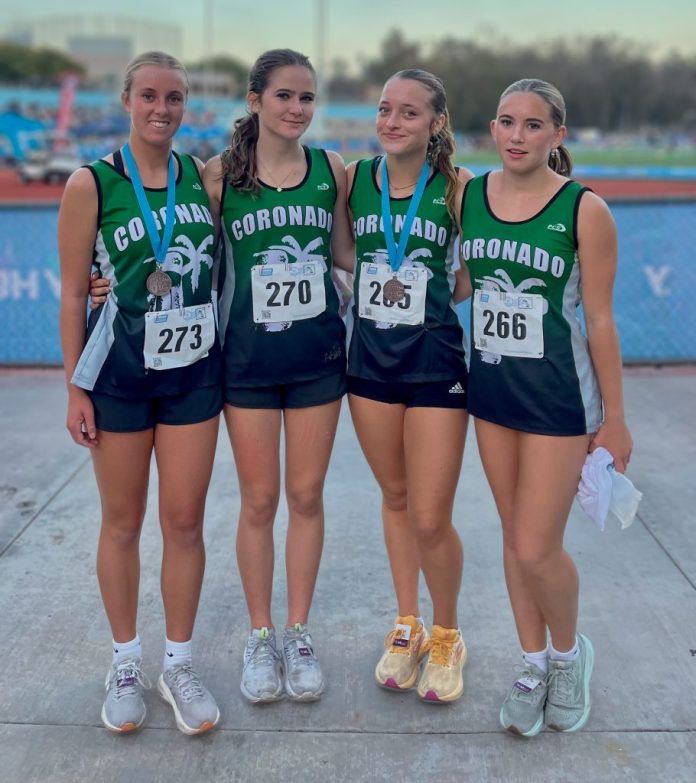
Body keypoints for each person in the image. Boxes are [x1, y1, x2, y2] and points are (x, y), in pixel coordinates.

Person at [459, 78, 633, 735]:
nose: (517, 135)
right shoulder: (470, 196)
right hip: (493, 394)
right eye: (507, 122)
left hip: (560, 398)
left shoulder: (585, 209)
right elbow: (464, 282)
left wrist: (615, 418)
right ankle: (532, 662)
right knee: (513, 536)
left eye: (533, 125)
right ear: (492, 128)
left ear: (558, 135)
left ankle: (567, 655)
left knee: (537, 546)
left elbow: (600, 320)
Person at [59, 51, 222, 735]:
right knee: (122, 522)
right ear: (127, 100)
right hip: (119, 378)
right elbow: (75, 292)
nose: (162, 108)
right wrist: (76, 386)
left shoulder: (204, 178)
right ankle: (126, 659)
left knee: (184, 522)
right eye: (150, 95)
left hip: (193, 377)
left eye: (174, 97)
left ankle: (177, 663)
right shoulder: (91, 184)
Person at [205, 49, 354, 703]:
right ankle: (260, 635)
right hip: (247, 364)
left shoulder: (331, 170)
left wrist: (424, 256)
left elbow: (346, 251)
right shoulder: (218, 176)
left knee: (307, 496)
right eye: (285, 96)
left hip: (318, 360)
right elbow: (189, 257)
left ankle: (298, 631)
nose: (297, 109)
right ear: (255, 100)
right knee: (260, 501)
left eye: (307, 98)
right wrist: (107, 281)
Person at [346, 69, 473, 703]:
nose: (392, 122)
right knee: (395, 497)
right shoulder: (354, 180)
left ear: (436, 123)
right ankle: (408, 624)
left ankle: (447, 633)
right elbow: (339, 251)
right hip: (369, 365)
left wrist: (431, 293)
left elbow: (474, 270)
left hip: (434, 363)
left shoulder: (459, 187)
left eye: (409, 112)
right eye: (385, 109)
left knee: (429, 514)